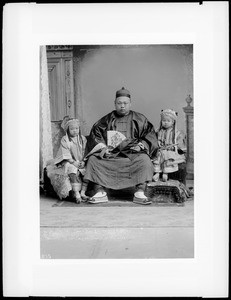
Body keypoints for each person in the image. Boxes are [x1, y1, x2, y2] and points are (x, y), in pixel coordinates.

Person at [83, 87, 159, 204]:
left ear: (130, 104)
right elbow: (95, 136)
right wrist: (103, 148)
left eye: (125, 103)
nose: (122, 106)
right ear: (115, 104)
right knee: (93, 160)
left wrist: (141, 145)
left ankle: (139, 192)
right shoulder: (106, 120)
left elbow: (150, 135)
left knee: (144, 160)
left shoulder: (140, 119)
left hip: (133, 155)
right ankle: (100, 191)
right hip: (112, 155)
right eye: (119, 103)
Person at [46, 117, 89, 203]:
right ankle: (76, 193)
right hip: (69, 161)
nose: (75, 131)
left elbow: (86, 151)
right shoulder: (65, 139)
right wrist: (73, 162)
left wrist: (83, 161)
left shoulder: (83, 139)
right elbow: (65, 153)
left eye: (76, 128)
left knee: (88, 170)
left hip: (80, 161)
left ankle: (83, 193)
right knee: (72, 169)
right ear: (68, 130)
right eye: (72, 129)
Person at [152, 109, 187, 182]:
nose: (165, 123)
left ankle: (166, 173)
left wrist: (180, 148)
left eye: (168, 121)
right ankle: (157, 173)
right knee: (157, 158)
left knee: (168, 159)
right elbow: (154, 140)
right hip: (160, 149)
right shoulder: (158, 131)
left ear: (173, 122)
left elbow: (179, 142)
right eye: (164, 120)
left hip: (170, 150)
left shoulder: (176, 133)